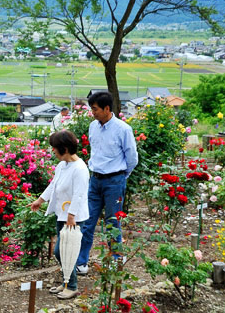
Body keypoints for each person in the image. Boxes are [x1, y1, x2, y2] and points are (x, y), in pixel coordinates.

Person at [75, 91, 138, 275]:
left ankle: (116, 258)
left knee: (112, 222)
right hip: (95, 180)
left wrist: (120, 177)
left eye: (95, 109)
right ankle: (81, 261)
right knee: (87, 221)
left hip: (114, 181)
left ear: (107, 109)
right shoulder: (93, 127)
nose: (92, 112)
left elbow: (132, 158)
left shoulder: (123, 129)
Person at [28, 130, 89, 300]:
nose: (53, 151)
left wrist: (72, 216)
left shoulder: (80, 169)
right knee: (61, 251)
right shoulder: (62, 165)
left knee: (65, 251)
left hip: (73, 217)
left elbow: (79, 194)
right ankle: (67, 282)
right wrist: (40, 200)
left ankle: (73, 286)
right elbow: (53, 185)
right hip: (62, 214)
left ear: (65, 148)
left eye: (55, 148)